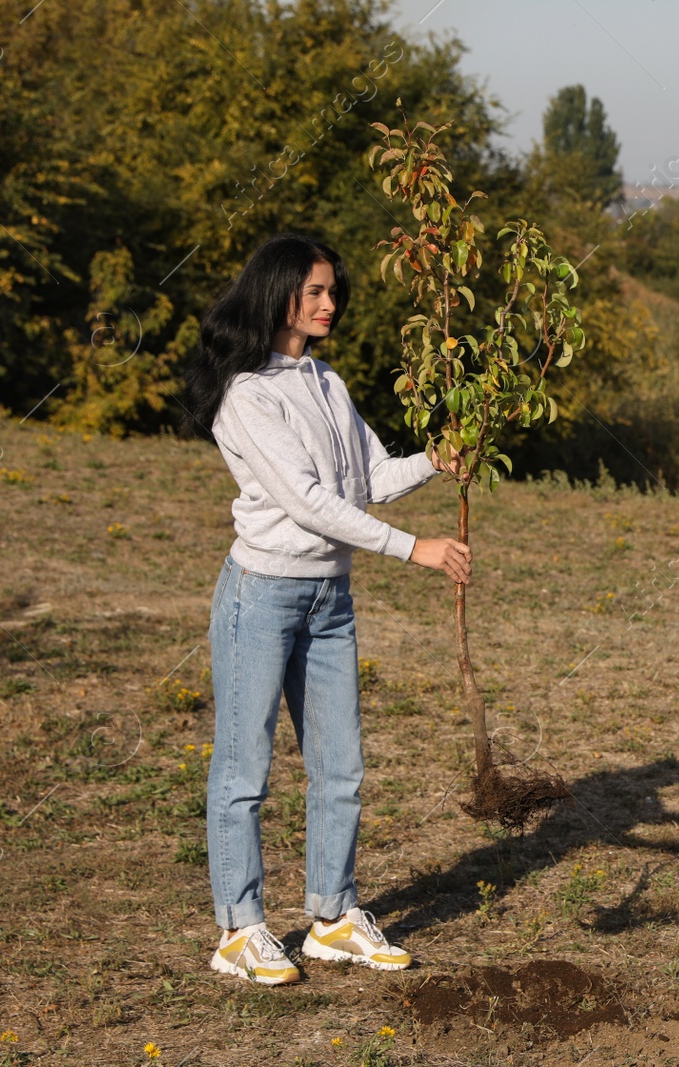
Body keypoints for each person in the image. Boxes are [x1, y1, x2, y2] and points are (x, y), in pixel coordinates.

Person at [185, 232, 470, 985]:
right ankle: (238, 928)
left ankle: (332, 915)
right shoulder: (249, 393)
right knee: (245, 770)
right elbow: (309, 504)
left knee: (340, 766)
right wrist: (417, 549)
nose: (329, 303)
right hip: (263, 595)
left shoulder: (327, 382)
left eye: (332, 291)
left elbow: (367, 475)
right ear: (278, 294)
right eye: (314, 292)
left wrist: (434, 463)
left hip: (328, 597)